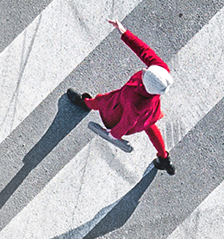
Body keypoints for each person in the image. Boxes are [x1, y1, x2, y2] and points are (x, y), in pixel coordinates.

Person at [66, 19, 175, 175]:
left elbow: (127, 122)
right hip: (149, 113)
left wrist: (114, 135)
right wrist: (124, 32)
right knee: (150, 127)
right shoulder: (160, 71)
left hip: (118, 104)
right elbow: (144, 51)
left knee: (100, 102)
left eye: (145, 74)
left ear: (146, 85)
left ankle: (85, 103)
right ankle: (164, 159)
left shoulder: (136, 102)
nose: (144, 70)